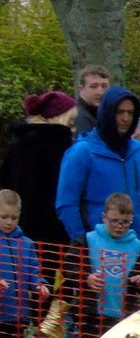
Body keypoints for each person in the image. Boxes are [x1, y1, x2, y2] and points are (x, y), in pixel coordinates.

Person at [56, 85, 140, 253]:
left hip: (136, 249)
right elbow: (66, 203)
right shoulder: (83, 152)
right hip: (96, 251)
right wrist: (80, 241)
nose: (125, 118)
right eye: (119, 112)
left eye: (130, 113)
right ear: (107, 112)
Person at [0, 92, 77, 250]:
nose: (73, 127)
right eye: (71, 121)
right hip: (52, 231)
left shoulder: (18, 144)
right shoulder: (60, 147)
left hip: (17, 227)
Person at [0, 189, 49, 338]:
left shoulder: (27, 245)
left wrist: (40, 286)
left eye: (13, 217)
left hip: (18, 316)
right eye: (4, 217)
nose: (9, 222)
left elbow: (34, 274)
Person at [84, 192, 140, 338]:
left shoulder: (137, 246)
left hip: (122, 315)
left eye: (125, 222)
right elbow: (70, 266)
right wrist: (87, 277)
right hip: (90, 312)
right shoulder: (88, 240)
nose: (119, 226)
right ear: (104, 217)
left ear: (132, 219)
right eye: (114, 221)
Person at [74, 66, 111, 137]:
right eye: (93, 86)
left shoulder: (102, 114)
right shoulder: (80, 118)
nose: (100, 92)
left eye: (104, 86)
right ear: (81, 89)